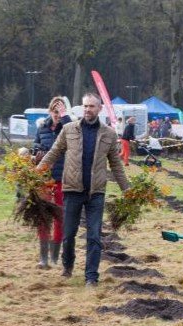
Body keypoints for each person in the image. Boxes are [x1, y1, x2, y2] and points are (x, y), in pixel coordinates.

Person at [37, 93, 130, 287]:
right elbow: (54, 152)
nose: (88, 110)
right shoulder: (69, 130)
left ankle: (91, 277)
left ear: (100, 109)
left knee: (94, 236)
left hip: (96, 192)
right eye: (85, 106)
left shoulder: (109, 134)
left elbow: (116, 164)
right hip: (72, 190)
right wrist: (36, 172)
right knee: (69, 234)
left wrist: (127, 189)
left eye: (92, 106)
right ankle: (68, 265)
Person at [32, 96, 72, 269]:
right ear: (49, 111)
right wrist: (36, 154)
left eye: (59, 112)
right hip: (44, 179)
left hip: (62, 178)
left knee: (59, 218)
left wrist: (65, 117)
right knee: (43, 216)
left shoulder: (69, 128)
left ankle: (55, 255)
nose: (56, 115)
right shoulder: (42, 128)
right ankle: (43, 257)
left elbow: (76, 140)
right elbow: (35, 146)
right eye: (54, 111)